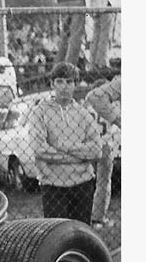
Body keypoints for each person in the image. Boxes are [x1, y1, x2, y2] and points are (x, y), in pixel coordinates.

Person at [28, 62, 102, 224]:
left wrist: (62, 147)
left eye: (69, 82)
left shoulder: (83, 113)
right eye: (60, 81)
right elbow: (39, 149)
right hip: (53, 185)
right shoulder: (40, 112)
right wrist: (78, 157)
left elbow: (97, 150)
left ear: (75, 84)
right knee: (57, 234)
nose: (64, 86)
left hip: (83, 183)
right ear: (52, 84)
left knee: (81, 233)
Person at [86, 74, 120, 228]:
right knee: (103, 182)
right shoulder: (109, 107)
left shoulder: (87, 107)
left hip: (87, 144)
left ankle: (85, 214)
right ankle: (98, 217)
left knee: (86, 180)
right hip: (104, 144)